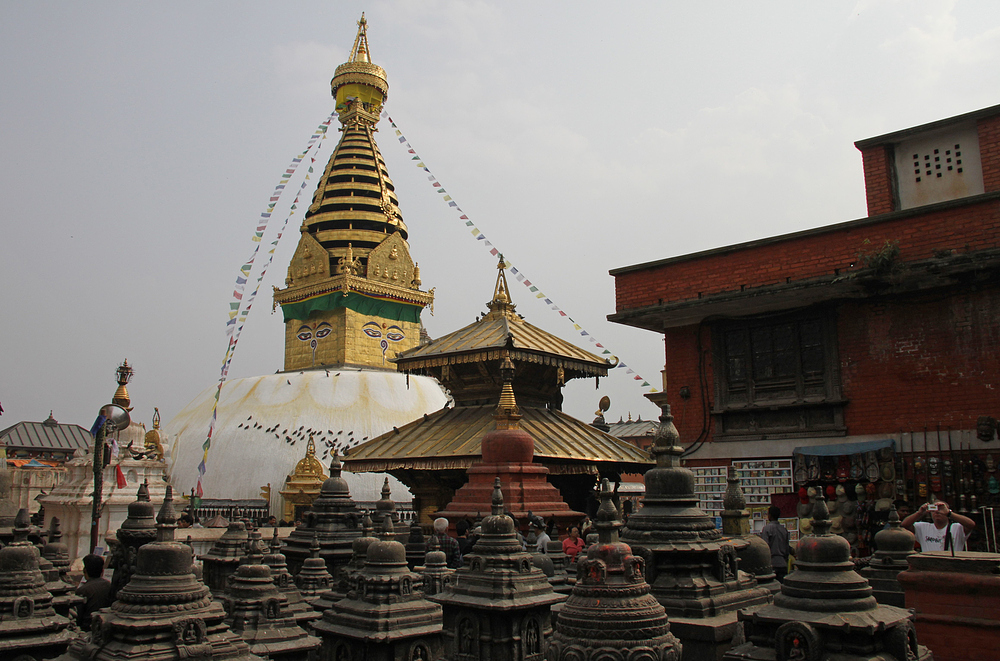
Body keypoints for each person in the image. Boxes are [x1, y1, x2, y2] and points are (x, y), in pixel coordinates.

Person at [902, 500, 975, 552]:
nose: (937, 512)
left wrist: (949, 513)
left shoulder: (957, 528)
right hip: (930, 567)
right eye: (934, 509)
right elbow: (905, 524)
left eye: (941, 509)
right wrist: (920, 513)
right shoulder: (923, 527)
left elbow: (971, 524)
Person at [76, 553, 113, 630]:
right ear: (102, 571)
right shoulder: (109, 585)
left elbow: (78, 617)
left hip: (87, 627)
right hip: (106, 625)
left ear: (85, 570)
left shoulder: (83, 590)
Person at [759, 506, 793, 582]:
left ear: (770, 515)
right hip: (782, 564)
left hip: (771, 564)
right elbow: (787, 549)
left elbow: (765, 548)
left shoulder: (767, 529)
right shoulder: (784, 530)